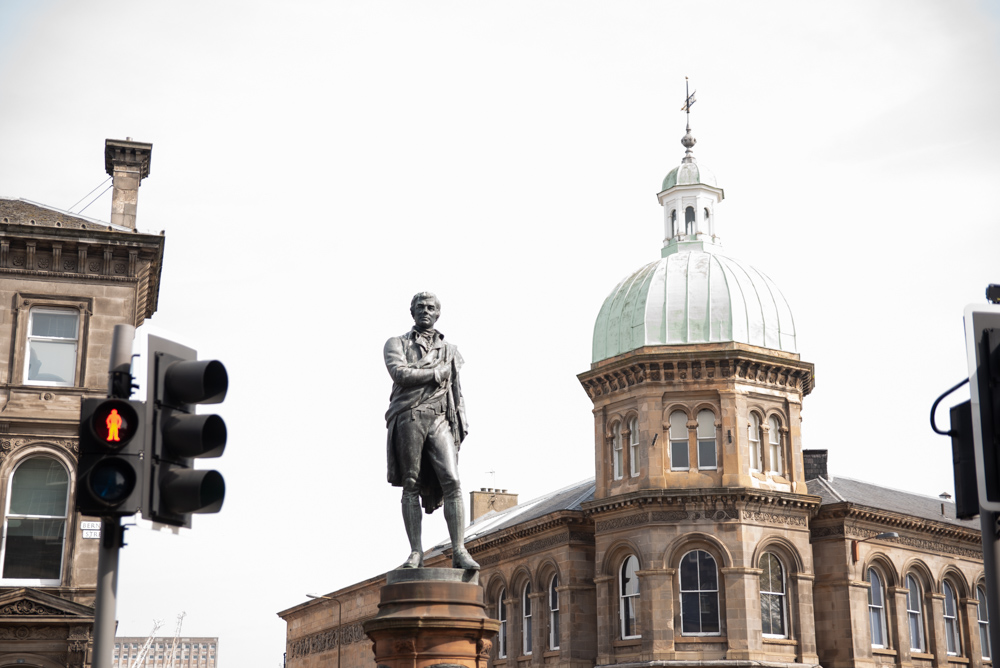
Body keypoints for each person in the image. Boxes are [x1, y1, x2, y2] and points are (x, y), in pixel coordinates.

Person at [384, 292, 479, 570]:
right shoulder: (397, 343)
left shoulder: (450, 350)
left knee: (452, 480)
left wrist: (459, 423)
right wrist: (435, 374)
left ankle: (459, 550)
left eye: (430, 308)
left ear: (438, 313)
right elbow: (399, 374)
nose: (425, 311)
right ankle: (416, 552)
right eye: (420, 307)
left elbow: (457, 393)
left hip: (440, 418)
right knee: (411, 482)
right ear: (411, 311)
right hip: (409, 416)